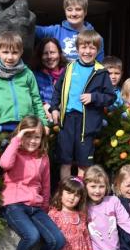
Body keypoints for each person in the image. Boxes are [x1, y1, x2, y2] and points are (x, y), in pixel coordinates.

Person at [0, 116, 64, 250]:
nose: (33, 141)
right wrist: (17, 139)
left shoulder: (43, 157)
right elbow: (4, 163)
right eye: (29, 136)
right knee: (32, 235)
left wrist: (45, 209)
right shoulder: (15, 151)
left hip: (35, 206)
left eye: (37, 137)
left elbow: (46, 185)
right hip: (13, 204)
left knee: (57, 240)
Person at [50, 30, 116, 180]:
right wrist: (54, 108)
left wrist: (93, 97)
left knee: (84, 163)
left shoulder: (101, 72)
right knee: (65, 161)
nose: (87, 51)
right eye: (84, 47)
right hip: (67, 120)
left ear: (98, 50)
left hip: (87, 124)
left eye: (92, 48)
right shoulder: (69, 68)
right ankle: (65, 191)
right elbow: (57, 90)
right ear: (77, 49)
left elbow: (110, 97)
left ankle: (82, 192)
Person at [0, 31, 47, 131]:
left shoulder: (27, 73)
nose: (10, 57)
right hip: (2, 126)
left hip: (26, 125)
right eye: (5, 52)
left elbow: (36, 100)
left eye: (15, 52)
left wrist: (44, 123)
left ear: (21, 52)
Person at [35, 0, 105, 62]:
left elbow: (100, 65)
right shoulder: (55, 31)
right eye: (69, 10)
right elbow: (31, 28)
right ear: (65, 12)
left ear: (85, 12)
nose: (73, 14)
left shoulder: (96, 38)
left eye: (78, 9)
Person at [33, 37, 67, 123]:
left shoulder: (69, 73)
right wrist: (43, 105)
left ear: (59, 53)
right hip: (44, 120)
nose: (49, 57)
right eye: (45, 53)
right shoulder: (34, 76)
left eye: (52, 52)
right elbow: (31, 98)